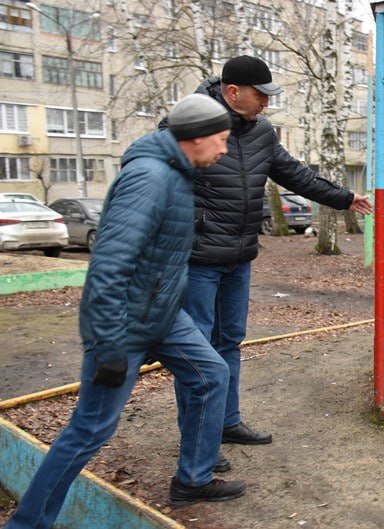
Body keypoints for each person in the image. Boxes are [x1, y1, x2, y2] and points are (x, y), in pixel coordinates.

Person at [4, 94, 245, 529]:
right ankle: (26, 524)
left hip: (163, 316)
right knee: (90, 430)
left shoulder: (177, 173)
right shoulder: (149, 177)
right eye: (222, 140)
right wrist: (110, 344)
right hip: (125, 324)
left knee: (212, 374)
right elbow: (109, 267)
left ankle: (193, 478)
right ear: (194, 138)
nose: (225, 149)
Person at [163, 55, 372, 465]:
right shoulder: (189, 124)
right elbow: (159, 178)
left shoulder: (261, 132)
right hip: (199, 258)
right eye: (261, 95)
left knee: (229, 342)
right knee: (198, 352)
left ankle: (226, 422)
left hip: (239, 257)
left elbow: (296, 174)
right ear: (233, 91)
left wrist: (345, 198)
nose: (266, 103)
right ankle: (198, 442)